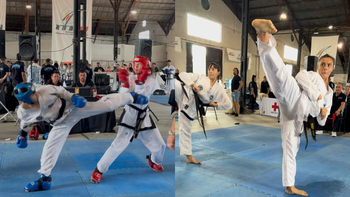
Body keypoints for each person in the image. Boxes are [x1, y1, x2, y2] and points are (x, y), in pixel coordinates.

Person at [13, 82, 149, 192]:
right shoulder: (23, 112)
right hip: (60, 123)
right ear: (25, 100)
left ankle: (131, 97)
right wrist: (23, 134)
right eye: (33, 94)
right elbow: (25, 121)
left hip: (73, 109)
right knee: (50, 147)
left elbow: (63, 91)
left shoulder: (46, 90)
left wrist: (73, 97)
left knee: (105, 106)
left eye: (35, 91)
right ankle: (44, 179)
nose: (36, 93)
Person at [252, 19, 334, 196]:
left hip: (299, 117)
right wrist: (316, 94)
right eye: (322, 64)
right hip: (296, 96)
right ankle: (263, 36)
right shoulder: (311, 75)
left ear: (332, 68)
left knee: (291, 147)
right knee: (280, 76)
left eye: (328, 65)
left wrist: (324, 113)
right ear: (318, 66)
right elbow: (299, 78)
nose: (325, 67)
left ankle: (289, 186)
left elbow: (321, 120)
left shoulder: (330, 93)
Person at [91, 55, 166, 183]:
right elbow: (123, 96)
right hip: (130, 114)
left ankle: (153, 160)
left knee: (160, 145)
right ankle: (99, 170)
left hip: (143, 115)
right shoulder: (130, 77)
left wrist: (140, 83)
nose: (135, 66)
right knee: (118, 144)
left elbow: (143, 96)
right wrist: (125, 84)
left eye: (139, 64)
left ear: (145, 66)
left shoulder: (151, 80)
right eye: (134, 64)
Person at [175, 62, 232, 164]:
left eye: (213, 69)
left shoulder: (219, 89)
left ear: (218, 72)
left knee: (185, 131)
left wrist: (216, 105)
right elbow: (181, 75)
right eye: (209, 68)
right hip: (183, 94)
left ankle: (189, 157)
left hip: (190, 108)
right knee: (174, 83)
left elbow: (229, 104)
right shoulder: (200, 77)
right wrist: (192, 84)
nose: (210, 70)